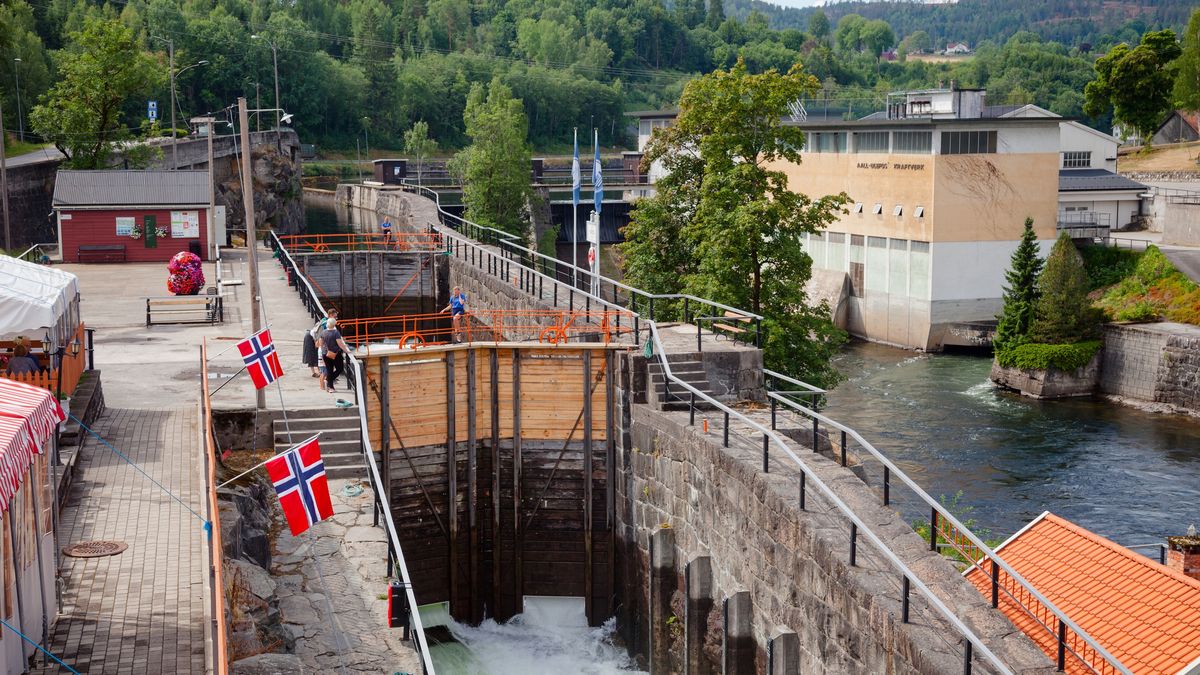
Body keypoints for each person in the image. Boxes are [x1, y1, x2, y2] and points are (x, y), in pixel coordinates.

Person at [305, 308, 338, 381]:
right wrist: (318, 343)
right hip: (310, 337)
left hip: (314, 336)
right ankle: (316, 373)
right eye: (335, 317)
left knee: (318, 354)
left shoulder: (326, 320)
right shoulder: (325, 323)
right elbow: (319, 336)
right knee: (313, 355)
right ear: (330, 315)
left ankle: (322, 373)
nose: (336, 318)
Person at [321, 318, 352, 393]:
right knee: (340, 368)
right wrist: (347, 351)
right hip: (335, 353)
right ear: (334, 324)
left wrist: (323, 353)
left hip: (325, 353)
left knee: (329, 370)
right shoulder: (336, 332)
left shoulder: (323, 332)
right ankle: (329, 381)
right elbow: (340, 344)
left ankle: (330, 386)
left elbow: (321, 344)